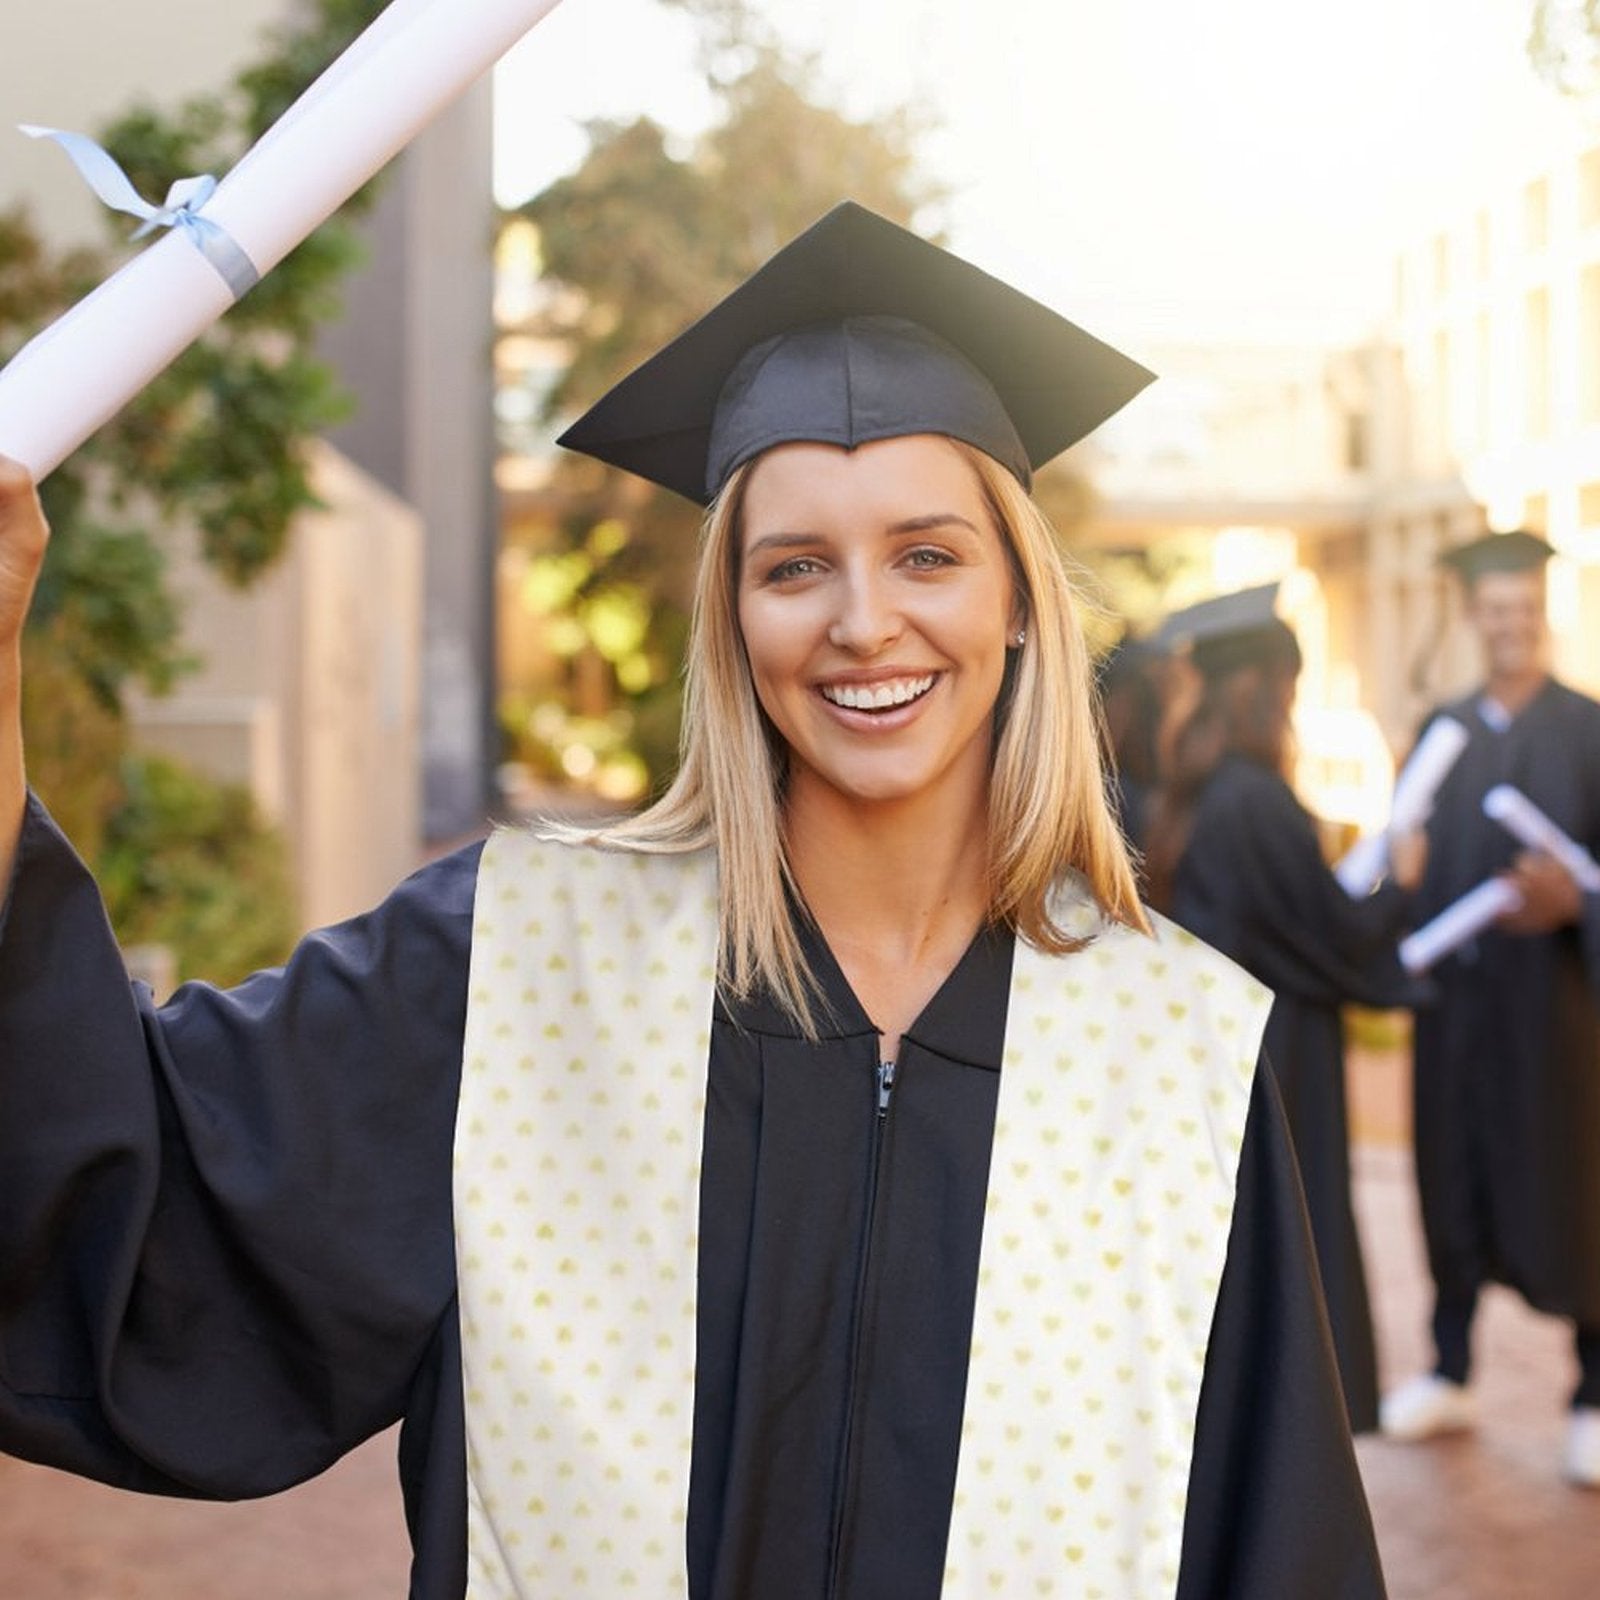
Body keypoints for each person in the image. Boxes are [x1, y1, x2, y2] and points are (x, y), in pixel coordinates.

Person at [0, 203, 1387, 1597]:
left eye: (927, 553)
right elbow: (126, 1193)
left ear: (1020, 600)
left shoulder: (1176, 1051)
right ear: (730, 613)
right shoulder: (519, 975)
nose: (863, 622)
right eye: (794, 566)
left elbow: (1278, 1549)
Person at [1140, 585, 1423, 1436]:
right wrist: (1402, 886)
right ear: (1263, 689)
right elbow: (1328, 932)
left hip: (1227, 1048)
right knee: (1298, 1240)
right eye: (1290, 690)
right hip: (1283, 1052)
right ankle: (1301, 1431)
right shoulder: (1254, 798)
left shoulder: (1193, 794)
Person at [1380, 528, 1600, 1488]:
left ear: (1544, 615)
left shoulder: (1589, 730)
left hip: (1558, 1018)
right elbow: (1400, 864)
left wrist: (1576, 906)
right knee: (1450, 1173)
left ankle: (1592, 1397)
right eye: (1497, 609)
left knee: (1578, 1186)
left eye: (1527, 610)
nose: (1513, 625)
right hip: (1458, 1009)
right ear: (1473, 615)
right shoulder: (1445, 731)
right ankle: (1451, 1370)